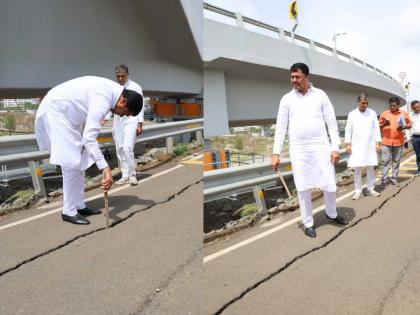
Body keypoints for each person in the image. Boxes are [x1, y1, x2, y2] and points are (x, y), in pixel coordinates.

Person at [35, 76, 143, 225]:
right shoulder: (103, 99)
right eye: (124, 112)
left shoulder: (113, 93)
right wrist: (105, 169)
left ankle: (79, 205)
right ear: (123, 101)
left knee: (80, 160)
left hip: (72, 117)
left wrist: (102, 164)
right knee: (71, 163)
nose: (120, 115)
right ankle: (68, 211)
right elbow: (89, 139)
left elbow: (89, 135)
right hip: (57, 111)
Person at [271, 62, 347, 238]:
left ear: (307, 77)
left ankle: (332, 213)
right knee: (303, 187)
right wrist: (275, 153)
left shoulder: (321, 95)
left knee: (329, 184)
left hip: (321, 148)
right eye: (292, 77)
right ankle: (308, 222)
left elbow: (331, 123)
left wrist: (335, 148)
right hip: (299, 151)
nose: (294, 80)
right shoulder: (286, 99)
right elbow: (281, 128)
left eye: (297, 77)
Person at [105, 65, 144, 185]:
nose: (121, 78)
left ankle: (132, 175)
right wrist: (106, 118)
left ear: (127, 74)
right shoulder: (115, 88)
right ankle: (125, 174)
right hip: (118, 120)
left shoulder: (135, 87)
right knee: (120, 148)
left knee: (127, 148)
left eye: (123, 76)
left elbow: (141, 105)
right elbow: (110, 103)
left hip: (131, 119)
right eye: (118, 76)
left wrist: (140, 123)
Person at [345, 93, 382, 200]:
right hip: (356, 145)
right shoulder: (352, 114)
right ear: (358, 102)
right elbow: (348, 130)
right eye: (363, 103)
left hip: (370, 145)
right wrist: (348, 144)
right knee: (357, 169)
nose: (365, 105)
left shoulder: (372, 113)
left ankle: (370, 189)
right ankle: (358, 191)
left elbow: (376, 129)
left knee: (370, 168)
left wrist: (378, 142)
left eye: (366, 103)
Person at [379, 96, 411, 187]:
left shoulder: (403, 114)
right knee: (385, 161)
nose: (392, 107)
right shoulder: (384, 113)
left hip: (398, 141)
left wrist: (403, 127)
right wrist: (384, 124)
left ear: (398, 105)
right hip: (386, 141)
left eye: (394, 105)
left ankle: (394, 179)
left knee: (396, 161)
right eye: (391, 105)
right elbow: (378, 126)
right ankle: (384, 181)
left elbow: (409, 124)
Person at [409, 100, 420, 176]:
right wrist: (408, 137)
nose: (417, 109)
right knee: (418, 155)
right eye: (415, 107)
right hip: (415, 138)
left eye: (418, 107)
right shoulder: (410, 115)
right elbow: (407, 127)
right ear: (412, 108)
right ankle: (419, 170)